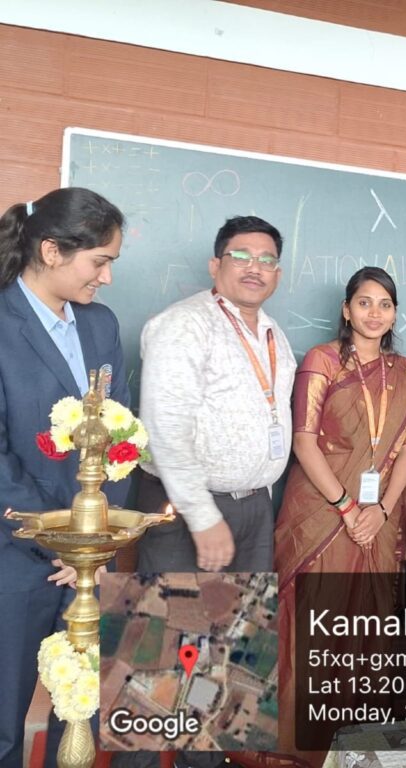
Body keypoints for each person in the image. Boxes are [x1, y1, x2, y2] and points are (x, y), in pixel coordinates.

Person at [274, 266, 406, 762]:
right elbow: (304, 442)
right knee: (313, 623)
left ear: (394, 314)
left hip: (376, 519)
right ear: (347, 310)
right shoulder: (322, 360)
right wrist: (346, 505)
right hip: (320, 514)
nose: (374, 313)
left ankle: (348, 746)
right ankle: (295, 747)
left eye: (385, 304)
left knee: (364, 627)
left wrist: (383, 510)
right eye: (364, 302)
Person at [0, 188, 128, 768]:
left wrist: (94, 541)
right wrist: (58, 538)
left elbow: (123, 435)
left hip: (89, 559)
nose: (107, 278)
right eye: (99, 261)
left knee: (80, 716)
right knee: (3, 724)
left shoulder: (101, 325)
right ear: (51, 251)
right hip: (16, 554)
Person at [135, 215, 296, 574]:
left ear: (277, 274)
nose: (255, 268)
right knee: (173, 612)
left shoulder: (274, 334)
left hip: (254, 509)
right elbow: (165, 427)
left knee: (244, 614)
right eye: (241, 256)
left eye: (267, 260)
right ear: (214, 266)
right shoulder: (184, 323)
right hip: (187, 511)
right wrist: (201, 515)